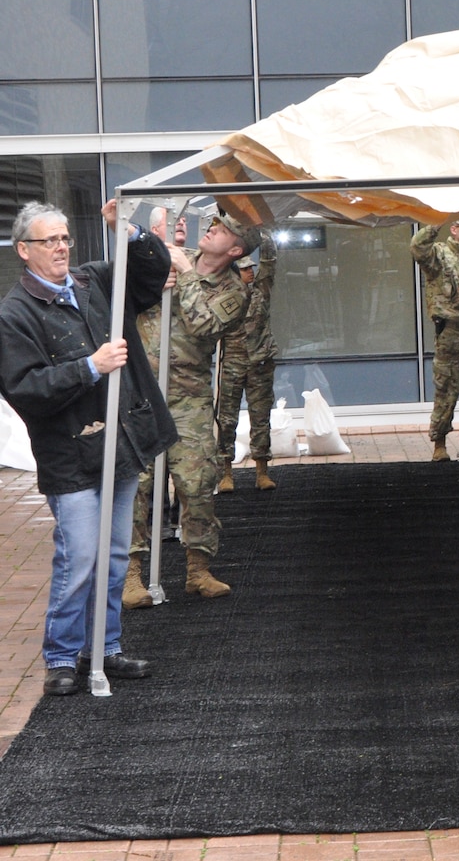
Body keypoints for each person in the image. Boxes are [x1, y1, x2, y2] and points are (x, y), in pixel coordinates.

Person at [0, 199, 174, 696]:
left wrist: (130, 231)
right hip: (70, 455)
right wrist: (90, 367)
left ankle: (105, 649)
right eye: (48, 240)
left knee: (116, 554)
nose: (60, 247)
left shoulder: (94, 281)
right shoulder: (13, 314)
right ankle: (60, 658)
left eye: (64, 238)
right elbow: (23, 387)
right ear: (23, 250)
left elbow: (151, 273)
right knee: (79, 557)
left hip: (119, 447)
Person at [129, 210, 253, 603]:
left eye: (223, 230)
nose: (212, 228)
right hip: (142, 392)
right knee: (136, 484)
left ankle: (198, 570)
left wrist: (184, 274)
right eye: (214, 224)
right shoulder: (169, 255)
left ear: (235, 250)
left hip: (188, 396)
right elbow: (124, 284)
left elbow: (204, 326)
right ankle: (131, 573)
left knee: (197, 483)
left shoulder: (234, 291)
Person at [215, 234, 278, 493]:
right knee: (226, 420)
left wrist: (264, 235)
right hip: (232, 363)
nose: (250, 272)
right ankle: (225, 472)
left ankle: (262, 470)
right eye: (244, 269)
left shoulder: (260, 291)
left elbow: (270, 261)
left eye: (251, 268)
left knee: (260, 418)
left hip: (260, 362)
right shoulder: (226, 298)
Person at [412, 215, 459, 462]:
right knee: (446, 387)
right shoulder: (439, 253)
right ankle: (440, 443)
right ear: (454, 228)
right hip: (451, 329)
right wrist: (435, 222)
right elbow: (417, 248)